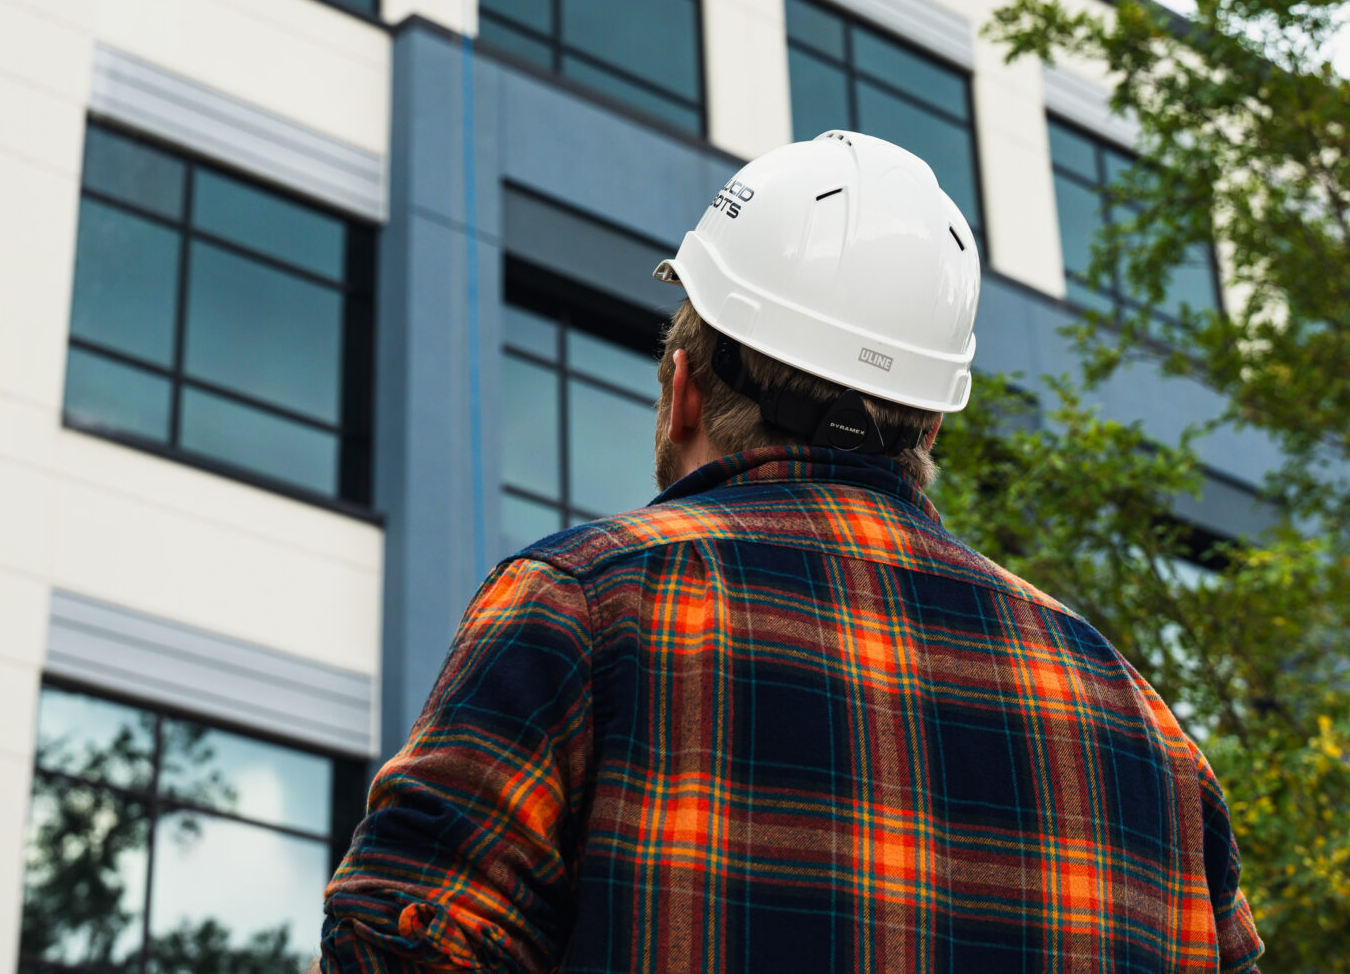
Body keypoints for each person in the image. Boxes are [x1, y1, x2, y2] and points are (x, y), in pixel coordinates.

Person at [320, 130, 1262, 972]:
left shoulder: (576, 610)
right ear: (930, 423)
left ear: (684, 387)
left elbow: (397, 948)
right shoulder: (1145, 728)